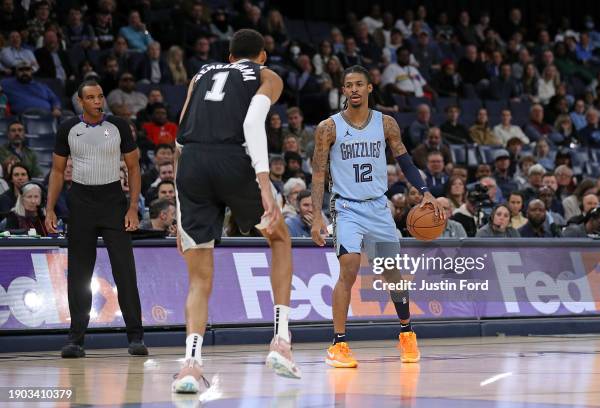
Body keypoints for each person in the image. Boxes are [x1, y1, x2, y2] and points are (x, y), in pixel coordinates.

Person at [172, 29, 301, 392]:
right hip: (234, 160)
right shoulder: (266, 75)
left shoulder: (200, 75)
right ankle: (280, 340)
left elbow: (179, 137)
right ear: (261, 56)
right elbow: (250, 123)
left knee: (199, 276)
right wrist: (263, 183)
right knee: (280, 238)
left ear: (229, 57)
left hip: (192, 165)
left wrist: (180, 209)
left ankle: (191, 366)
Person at [310, 65, 445, 368]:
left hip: (378, 208)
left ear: (370, 88)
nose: (354, 90)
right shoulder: (328, 128)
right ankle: (339, 343)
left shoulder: (386, 124)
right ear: (343, 90)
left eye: (360, 84)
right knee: (349, 268)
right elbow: (319, 173)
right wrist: (318, 215)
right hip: (346, 208)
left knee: (391, 273)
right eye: (348, 85)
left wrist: (424, 190)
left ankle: (407, 332)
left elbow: (405, 160)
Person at [45, 80, 147, 359]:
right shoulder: (68, 127)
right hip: (80, 203)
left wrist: (132, 208)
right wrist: (50, 208)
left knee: (125, 271)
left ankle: (135, 337)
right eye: (90, 97)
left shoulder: (118, 126)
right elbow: (56, 171)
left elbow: (134, 167)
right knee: (79, 274)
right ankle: (75, 340)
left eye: (100, 96)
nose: (97, 101)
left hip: (113, 202)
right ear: (80, 101)